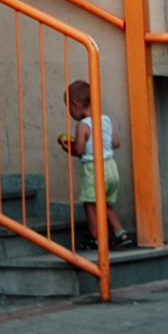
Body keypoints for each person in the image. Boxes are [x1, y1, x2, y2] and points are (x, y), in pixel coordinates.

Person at [59, 75, 114, 251]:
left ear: (77, 105)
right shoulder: (105, 120)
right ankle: (121, 233)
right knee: (104, 203)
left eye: (69, 108)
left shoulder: (83, 125)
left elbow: (80, 150)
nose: (70, 112)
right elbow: (116, 142)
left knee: (90, 205)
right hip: (111, 167)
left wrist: (67, 147)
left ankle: (96, 239)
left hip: (93, 169)